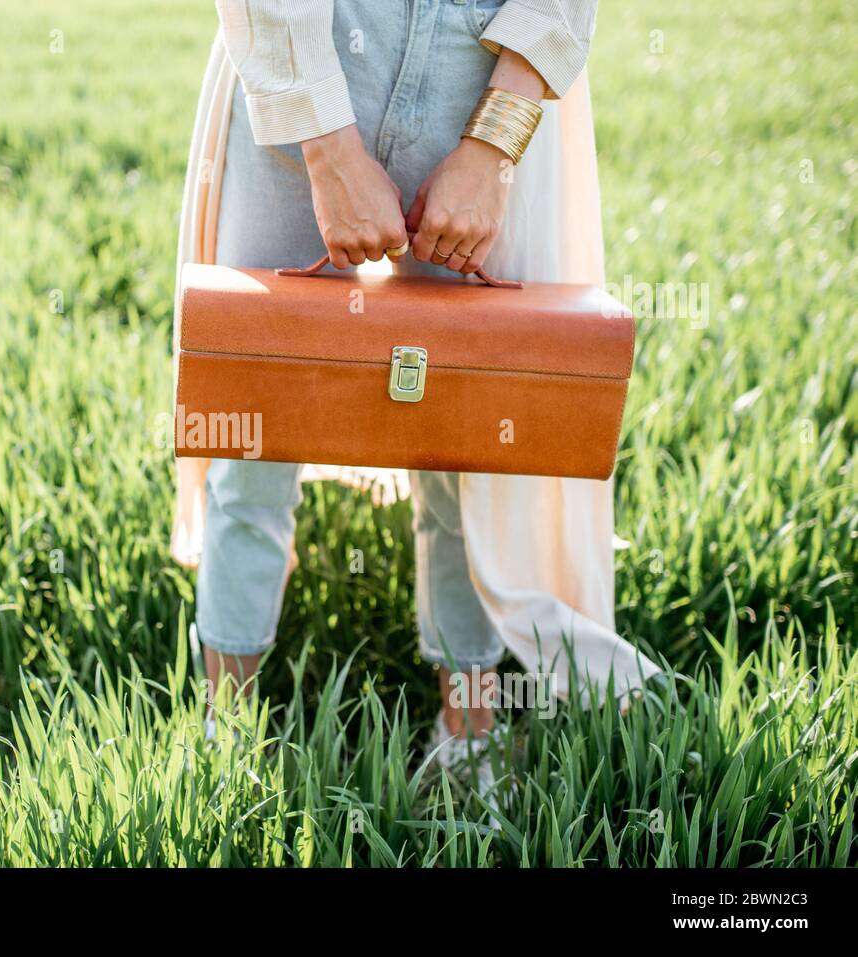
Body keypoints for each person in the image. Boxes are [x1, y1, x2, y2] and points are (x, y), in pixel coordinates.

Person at [173, 0, 659, 777]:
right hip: (301, 63)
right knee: (251, 425)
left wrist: (493, 144)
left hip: (486, 74)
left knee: (470, 450)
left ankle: (470, 738)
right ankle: (224, 738)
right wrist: (328, 149)